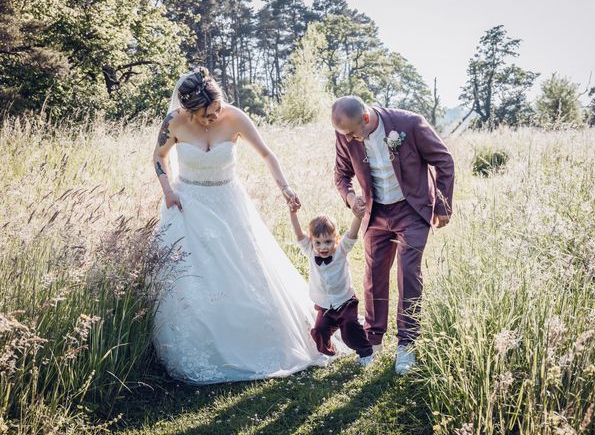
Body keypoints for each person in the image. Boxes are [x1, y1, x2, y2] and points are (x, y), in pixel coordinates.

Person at [151, 67, 342, 384]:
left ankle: (262, 338)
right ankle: (204, 344)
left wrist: (286, 188)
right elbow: (158, 156)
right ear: (187, 110)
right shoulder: (173, 123)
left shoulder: (235, 117)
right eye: (203, 115)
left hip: (229, 203)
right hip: (187, 205)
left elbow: (267, 154)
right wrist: (168, 190)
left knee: (247, 271)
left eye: (214, 112)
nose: (211, 119)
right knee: (195, 279)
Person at [332, 95, 455, 374]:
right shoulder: (346, 135)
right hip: (376, 214)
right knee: (373, 275)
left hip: (411, 210)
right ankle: (373, 340)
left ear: (365, 118)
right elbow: (341, 175)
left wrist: (443, 204)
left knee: (408, 274)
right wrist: (350, 197)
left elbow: (444, 160)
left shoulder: (409, 124)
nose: (349, 138)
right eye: (344, 135)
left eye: (352, 132)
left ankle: (407, 344)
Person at [288, 209, 374, 366]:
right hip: (325, 306)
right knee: (319, 331)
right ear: (312, 241)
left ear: (336, 239)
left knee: (349, 327)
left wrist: (358, 216)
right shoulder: (310, 251)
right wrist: (293, 213)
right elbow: (300, 235)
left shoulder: (341, 251)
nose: (323, 247)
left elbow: (352, 235)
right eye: (318, 243)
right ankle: (331, 351)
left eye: (328, 242)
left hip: (345, 301)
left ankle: (366, 352)